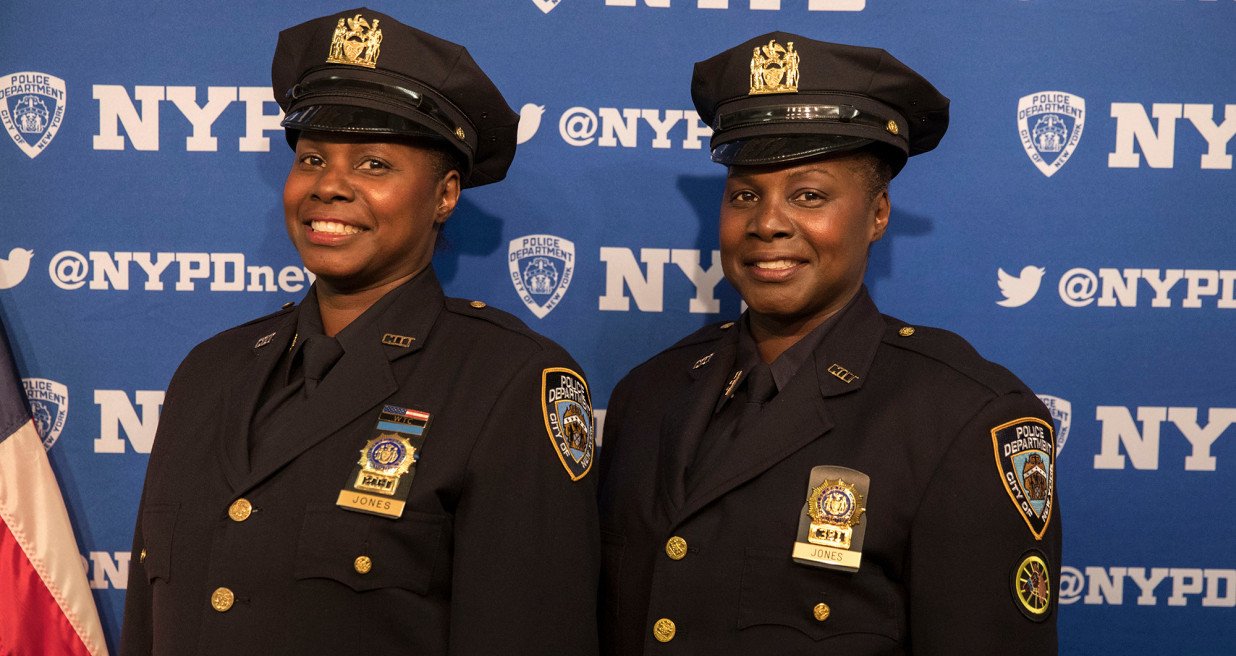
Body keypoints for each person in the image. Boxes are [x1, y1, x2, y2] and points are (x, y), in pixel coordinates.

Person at [120, 9, 599, 655]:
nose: (330, 186)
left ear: (445, 195)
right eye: (312, 157)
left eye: (373, 164)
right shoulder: (209, 371)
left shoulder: (508, 382)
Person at [597, 32, 1060, 654]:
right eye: (744, 195)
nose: (767, 222)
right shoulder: (648, 392)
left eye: (808, 195)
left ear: (877, 215)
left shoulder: (963, 418)